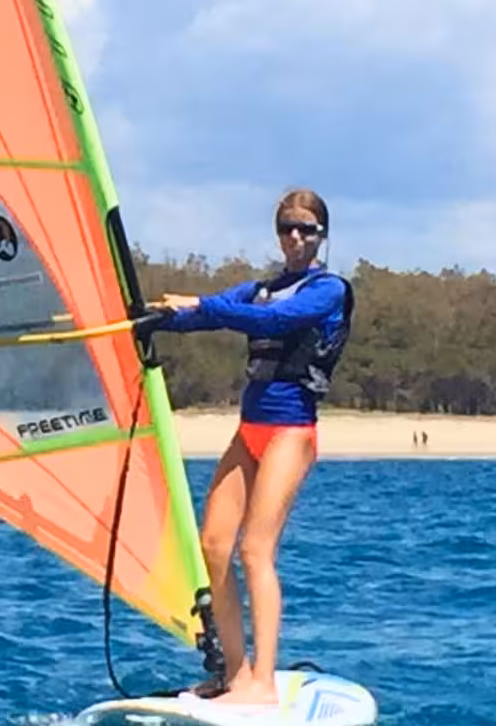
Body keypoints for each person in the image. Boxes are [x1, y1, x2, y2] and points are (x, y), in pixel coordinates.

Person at [144, 188, 353, 706]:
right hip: (249, 431)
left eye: (306, 228)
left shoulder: (328, 290)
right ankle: (235, 675)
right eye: (287, 227)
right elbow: (209, 315)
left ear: (322, 235)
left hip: (290, 432)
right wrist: (158, 316)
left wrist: (202, 303)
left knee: (255, 550)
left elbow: (273, 323)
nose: (295, 237)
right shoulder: (262, 288)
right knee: (212, 546)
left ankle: (262, 682)